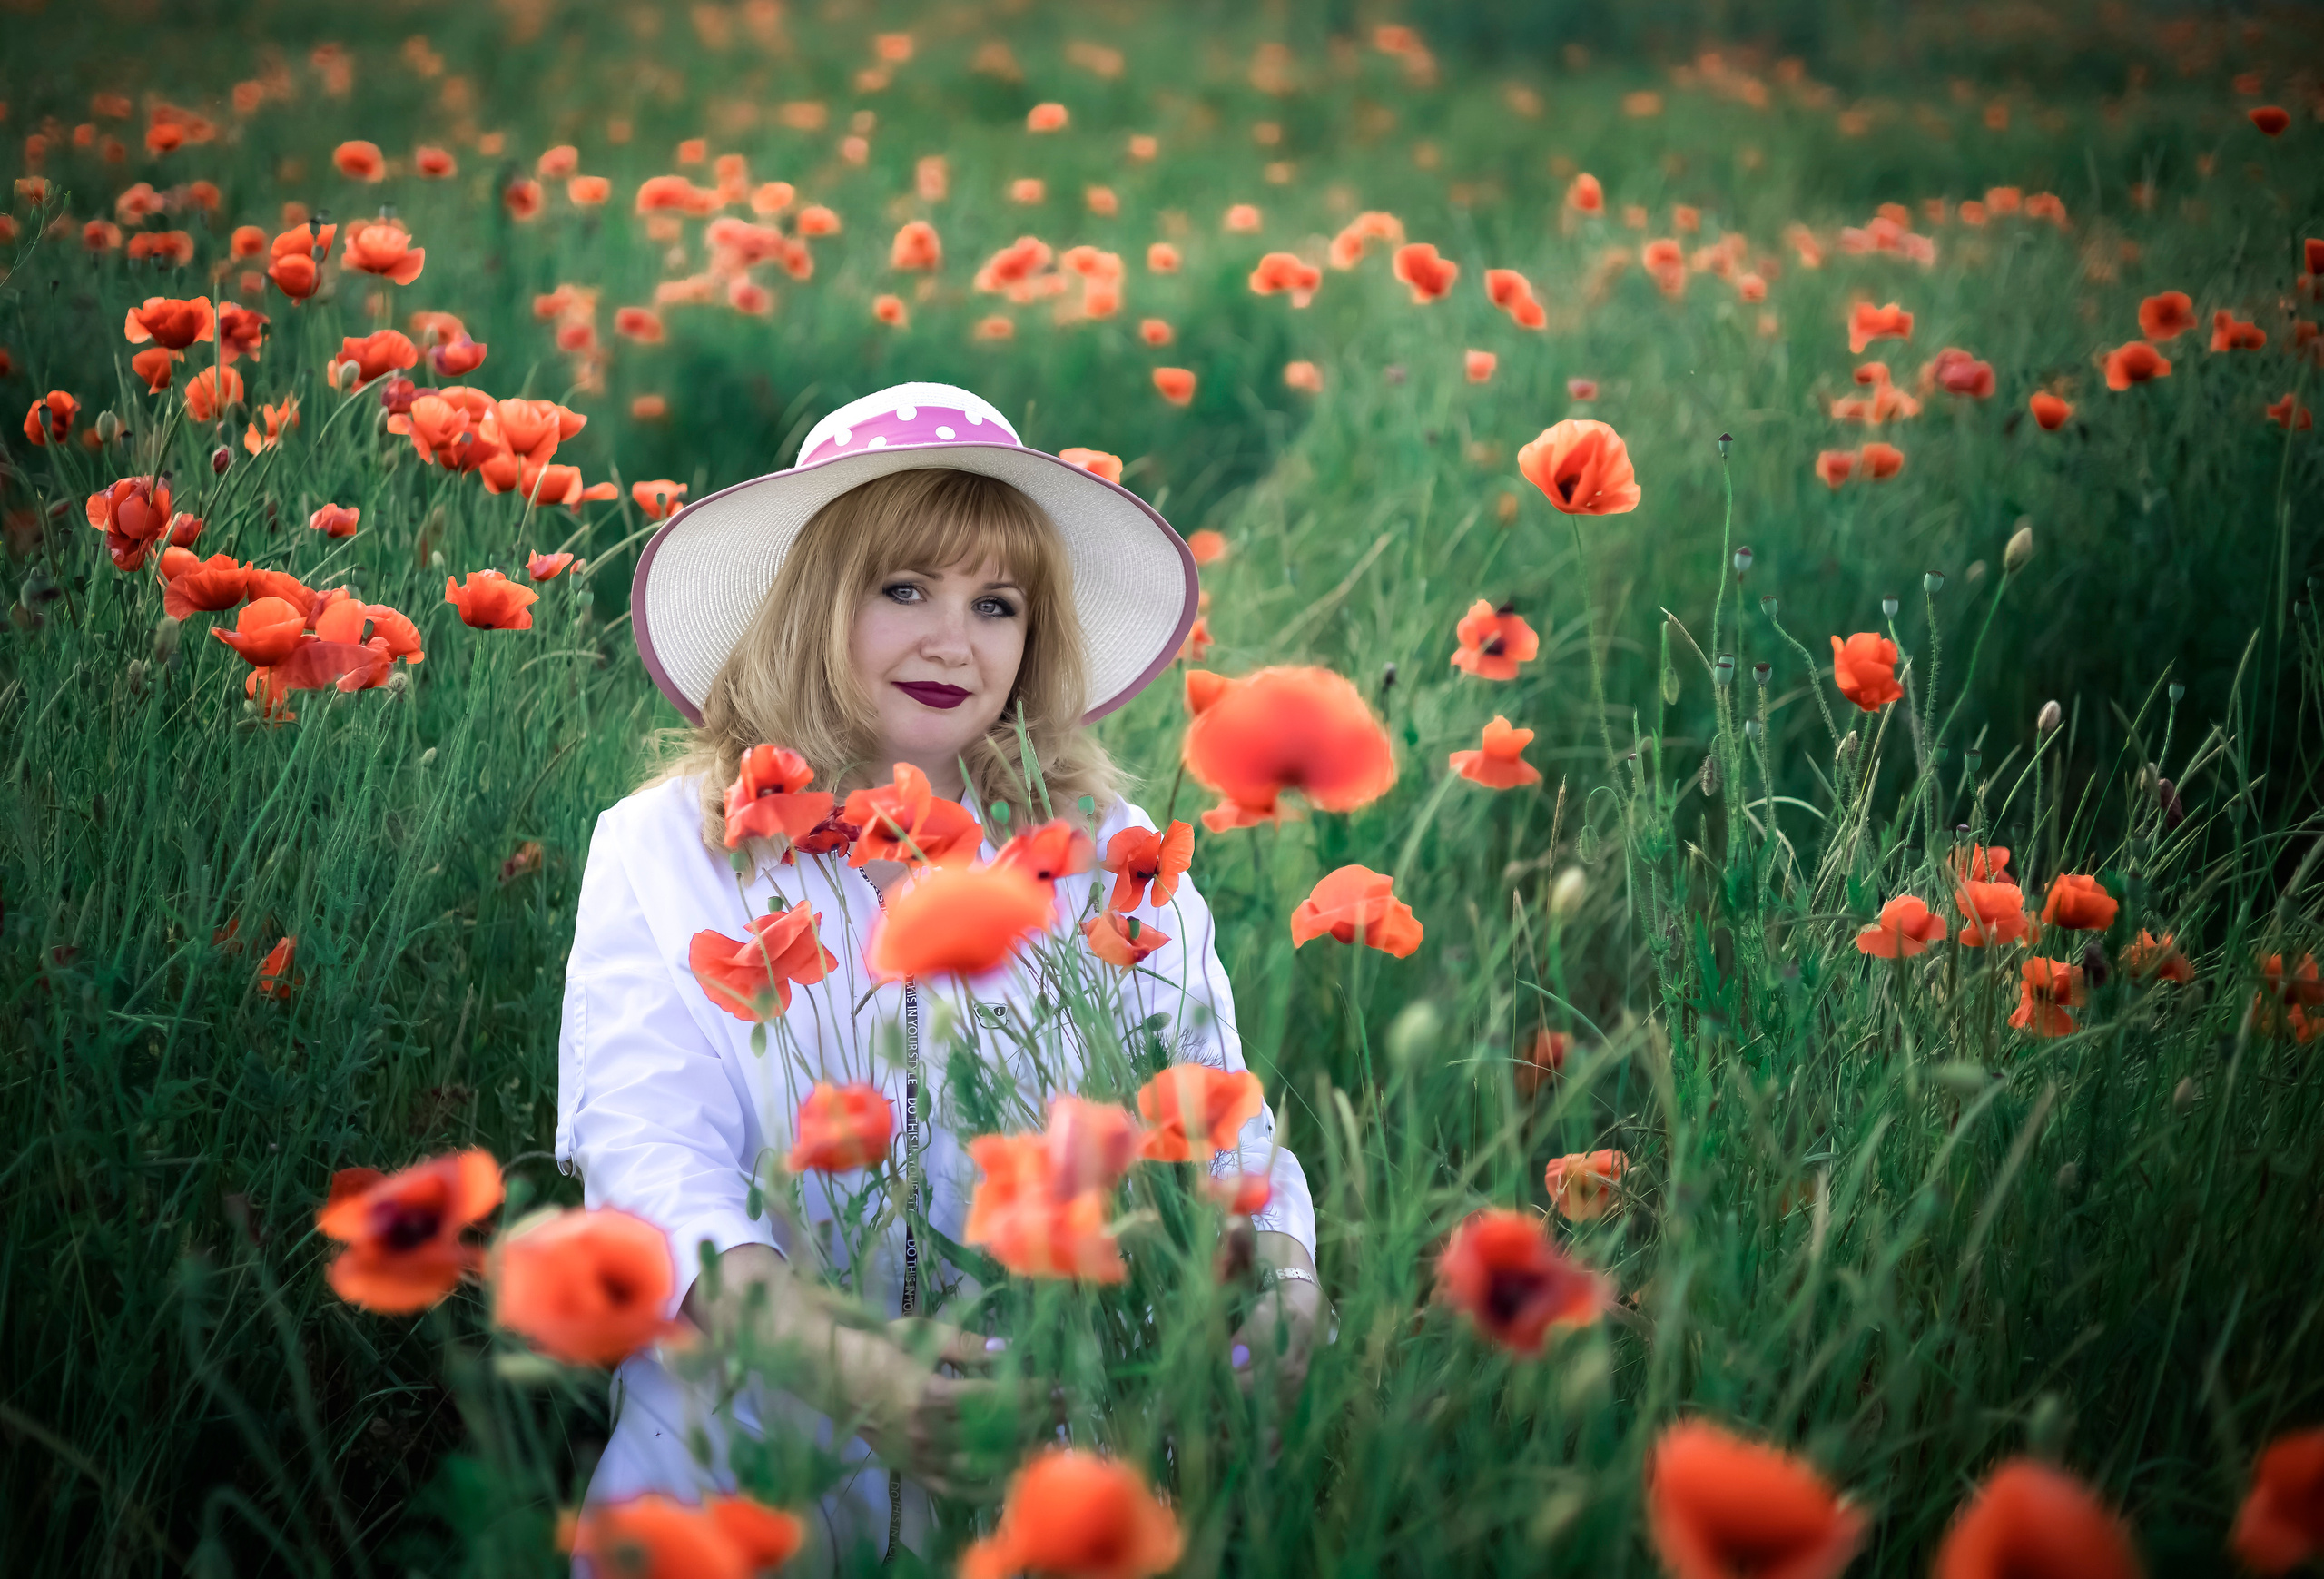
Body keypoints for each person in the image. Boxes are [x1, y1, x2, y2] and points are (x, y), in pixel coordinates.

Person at [556, 382, 1321, 1570]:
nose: (951, 640)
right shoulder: (669, 848)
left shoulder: (1097, 853)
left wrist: (1279, 1273)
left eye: (995, 603)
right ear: (816, 604)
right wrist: (839, 1362)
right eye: (902, 589)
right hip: (742, 1467)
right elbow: (650, 1162)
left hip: (1048, 1474)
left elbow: (1209, 1102)